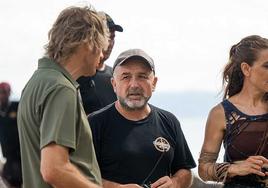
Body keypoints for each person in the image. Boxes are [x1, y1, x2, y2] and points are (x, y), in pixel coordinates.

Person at [17, 5, 109, 188]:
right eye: (101, 47)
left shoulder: (37, 82)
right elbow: (54, 169)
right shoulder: (61, 88)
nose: (102, 55)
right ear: (88, 43)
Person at [88, 49, 196, 188]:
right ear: (114, 84)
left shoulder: (169, 121)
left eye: (142, 76)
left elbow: (185, 170)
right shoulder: (94, 123)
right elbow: (78, 176)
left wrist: (175, 183)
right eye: (126, 77)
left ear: (154, 83)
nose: (134, 85)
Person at [198, 35, 268, 188]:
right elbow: (203, 169)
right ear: (246, 69)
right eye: (267, 66)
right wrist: (235, 169)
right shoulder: (220, 114)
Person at [78, 11, 123, 115]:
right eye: (106, 36)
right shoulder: (76, 76)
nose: (110, 43)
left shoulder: (116, 75)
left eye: (112, 37)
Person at [0, 82, 22, 187]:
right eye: (0, 92)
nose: (2, 95)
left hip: (21, 154)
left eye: (4, 92)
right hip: (8, 156)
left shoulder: (17, 106)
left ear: (9, 93)